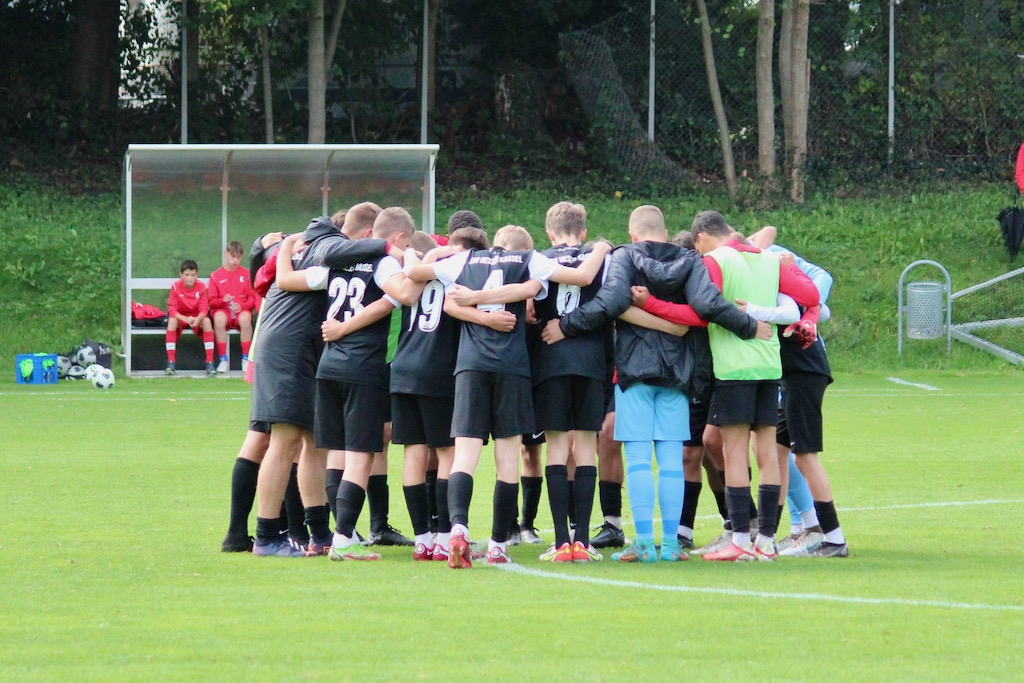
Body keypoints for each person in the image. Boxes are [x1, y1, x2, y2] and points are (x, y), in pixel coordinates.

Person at [542, 205, 767, 563]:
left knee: (637, 458)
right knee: (671, 459)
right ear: (665, 232)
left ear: (633, 234)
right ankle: (672, 545)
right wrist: (750, 325)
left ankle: (644, 543)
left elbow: (611, 302)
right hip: (678, 372)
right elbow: (708, 304)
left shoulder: (625, 256)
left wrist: (566, 326)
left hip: (633, 370)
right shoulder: (690, 259)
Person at [405, 225, 611, 567]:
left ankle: (457, 527)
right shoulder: (532, 260)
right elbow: (580, 277)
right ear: (525, 246)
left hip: (470, 367)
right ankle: (499, 544)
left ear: (494, 245)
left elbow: (416, 275)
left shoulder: (464, 259)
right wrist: (602, 248)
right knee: (507, 459)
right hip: (511, 368)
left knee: (465, 456)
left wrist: (418, 252)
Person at [248, 205, 401, 557]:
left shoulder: (315, 248)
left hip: (304, 350)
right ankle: (267, 535)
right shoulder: (328, 246)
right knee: (284, 439)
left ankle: (319, 533)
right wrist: (392, 249)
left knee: (313, 442)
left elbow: (276, 272)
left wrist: (278, 247)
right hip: (290, 350)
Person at [684, 210, 820, 562]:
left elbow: (703, 306)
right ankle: (768, 542)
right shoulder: (770, 260)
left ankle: (741, 540)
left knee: (732, 452)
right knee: (768, 451)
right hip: (769, 363)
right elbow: (808, 292)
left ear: (701, 237)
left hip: (734, 367)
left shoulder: (714, 260)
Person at [531, 202, 610, 562]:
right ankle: (584, 539)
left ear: (549, 232)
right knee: (587, 447)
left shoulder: (538, 258)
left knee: (558, 448)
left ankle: (561, 541)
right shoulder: (601, 257)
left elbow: (530, 311)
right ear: (583, 232)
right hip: (592, 362)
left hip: (551, 363)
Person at [208, 241, 257, 373]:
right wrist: (222, 301)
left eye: (238, 257)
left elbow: (253, 298)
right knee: (218, 318)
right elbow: (211, 302)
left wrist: (242, 306)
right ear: (226, 254)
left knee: (246, 318)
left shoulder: (247, 274)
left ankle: (245, 359)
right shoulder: (215, 275)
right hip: (224, 311)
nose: (236, 260)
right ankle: (223, 359)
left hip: (241, 311)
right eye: (233, 256)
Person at [165, 259, 215, 375]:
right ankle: (171, 362)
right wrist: (185, 319)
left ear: (197, 274)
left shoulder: (202, 287)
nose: (190, 278)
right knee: (172, 321)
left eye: (193, 275)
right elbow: (172, 309)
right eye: (187, 275)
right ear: (181, 275)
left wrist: (197, 319)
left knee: (207, 321)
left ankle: (210, 362)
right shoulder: (176, 287)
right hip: (182, 317)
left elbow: (204, 309)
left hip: (196, 318)